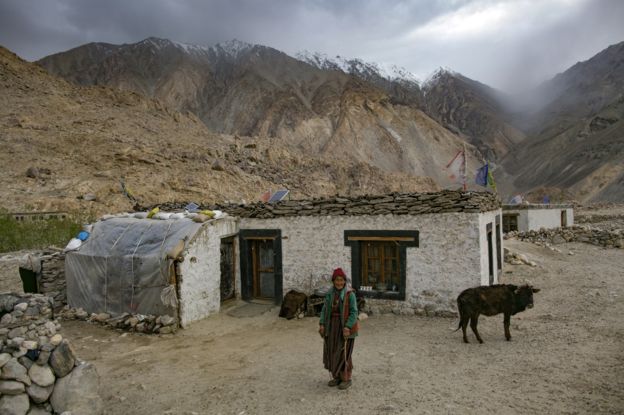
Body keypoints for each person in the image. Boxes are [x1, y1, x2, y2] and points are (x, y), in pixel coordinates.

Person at [318, 267, 358, 390]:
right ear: (333, 281)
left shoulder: (349, 294)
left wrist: (347, 327)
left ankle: (346, 378)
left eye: (341, 280)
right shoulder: (330, 294)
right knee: (333, 351)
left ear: (345, 281)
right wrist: (322, 324)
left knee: (344, 352)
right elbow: (325, 310)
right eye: (337, 280)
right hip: (332, 327)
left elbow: (354, 312)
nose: (339, 283)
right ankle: (337, 377)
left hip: (345, 327)